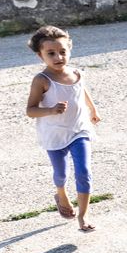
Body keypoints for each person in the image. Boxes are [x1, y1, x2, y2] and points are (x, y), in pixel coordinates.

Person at [25, 25, 101, 232]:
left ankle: (83, 216)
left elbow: (81, 90)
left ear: (69, 50)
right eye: (51, 53)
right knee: (61, 174)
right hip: (54, 133)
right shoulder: (42, 80)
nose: (58, 57)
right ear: (40, 56)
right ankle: (61, 193)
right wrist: (50, 110)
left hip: (79, 130)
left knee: (84, 171)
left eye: (62, 51)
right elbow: (30, 110)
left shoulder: (76, 72)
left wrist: (92, 109)